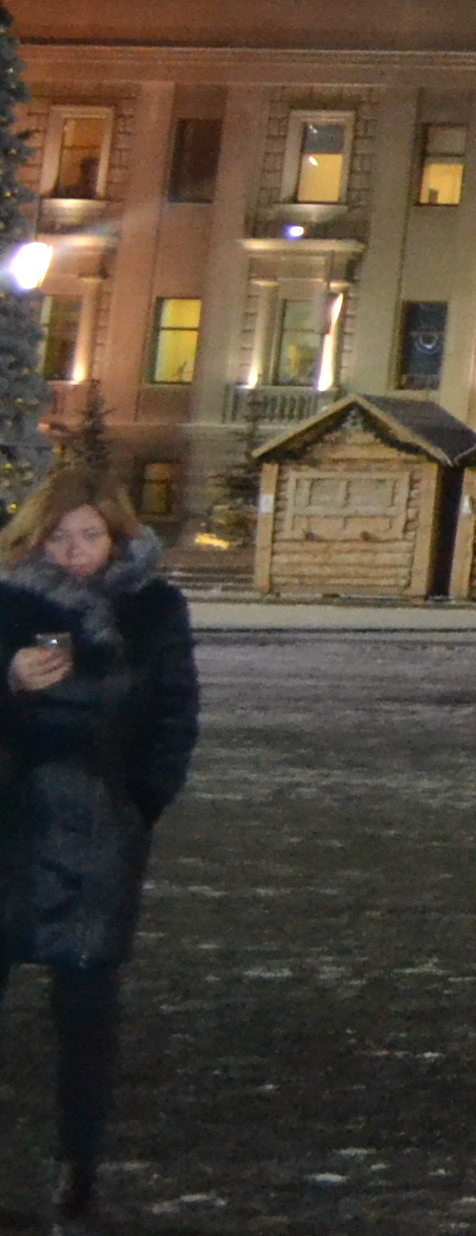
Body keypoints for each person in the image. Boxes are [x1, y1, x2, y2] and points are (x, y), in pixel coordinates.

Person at [0, 475, 199, 1222]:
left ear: (116, 538)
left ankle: (77, 1162)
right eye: (59, 538)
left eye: (88, 536)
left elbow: (174, 714)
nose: (73, 552)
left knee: (86, 1010)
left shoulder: (152, 610)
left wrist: (139, 803)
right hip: (10, 824)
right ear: (33, 540)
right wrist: (9, 681)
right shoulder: (10, 603)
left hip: (98, 833)